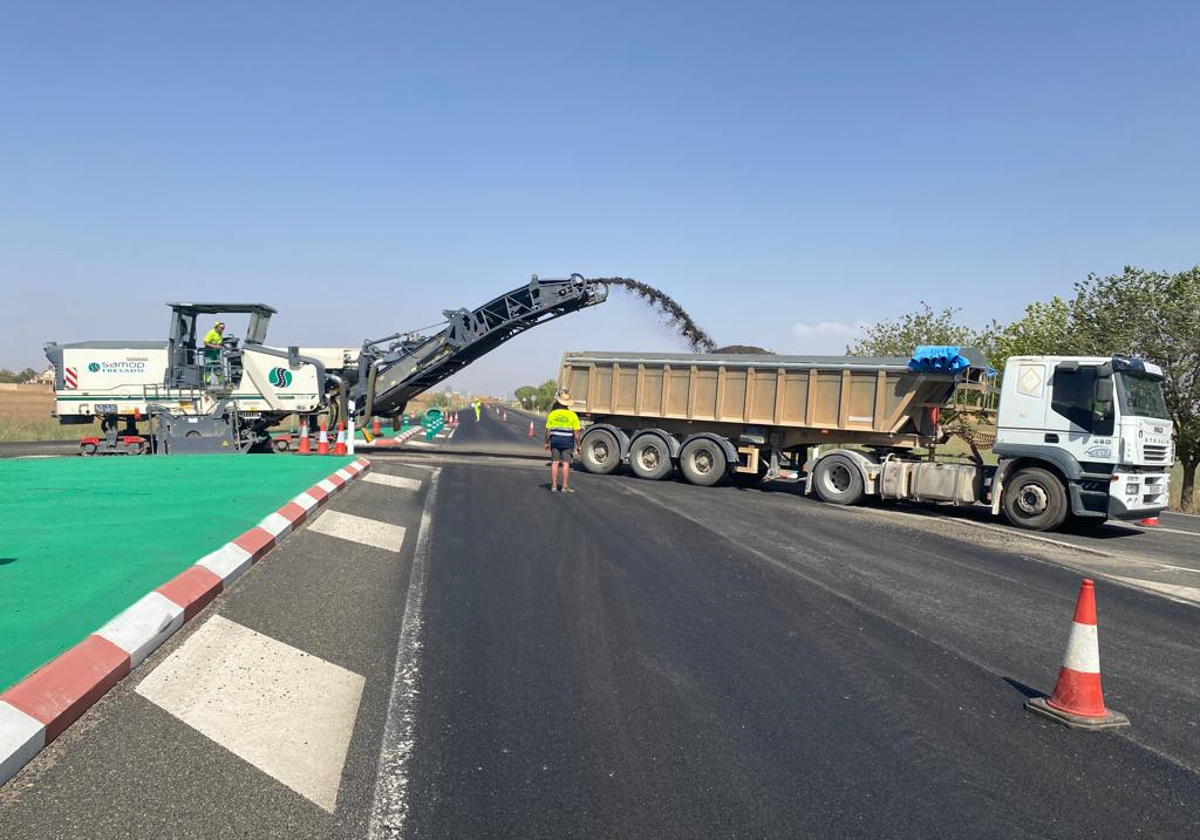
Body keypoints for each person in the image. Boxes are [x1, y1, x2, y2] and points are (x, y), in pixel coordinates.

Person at [544, 389, 582, 493]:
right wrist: (579, 445)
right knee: (566, 463)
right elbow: (576, 433)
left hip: (555, 441)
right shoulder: (572, 415)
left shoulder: (552, 414)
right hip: (567, 442)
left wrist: (546, 443)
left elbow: (548, 430)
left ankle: (554, 486)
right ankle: (564, 487)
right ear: (567, 404)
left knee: (555, 463)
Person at [202, 320, 225, 385]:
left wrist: (223, 346)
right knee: (208, 368)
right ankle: (207, 382)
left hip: (216, 353)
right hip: (209, 353)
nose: (223, 329)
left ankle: (221, 382)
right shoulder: (211, 333)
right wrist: (214, 346)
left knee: (218, 367)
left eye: (223, 328)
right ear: (217, 327)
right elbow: (205, 342)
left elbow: (219, 342)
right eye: (222, 328)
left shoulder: (220, 334)